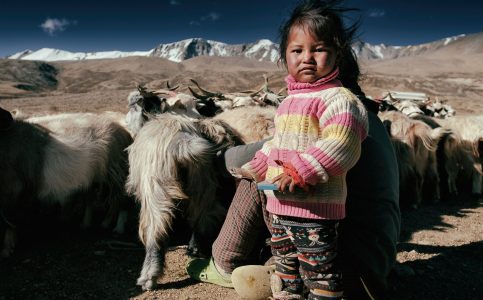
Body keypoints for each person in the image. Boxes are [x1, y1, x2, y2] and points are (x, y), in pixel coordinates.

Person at [187, 0, 400, 298]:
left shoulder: (338, 105)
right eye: (297, 51)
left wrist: (220, 157)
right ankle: (287, 276)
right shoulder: (371, 116)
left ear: (336, 58)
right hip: (377, 258)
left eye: (318, 50)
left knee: (258, 179)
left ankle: (224, 262)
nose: (307, 60)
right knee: (265, 171)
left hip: (344, 267)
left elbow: (318, 149)